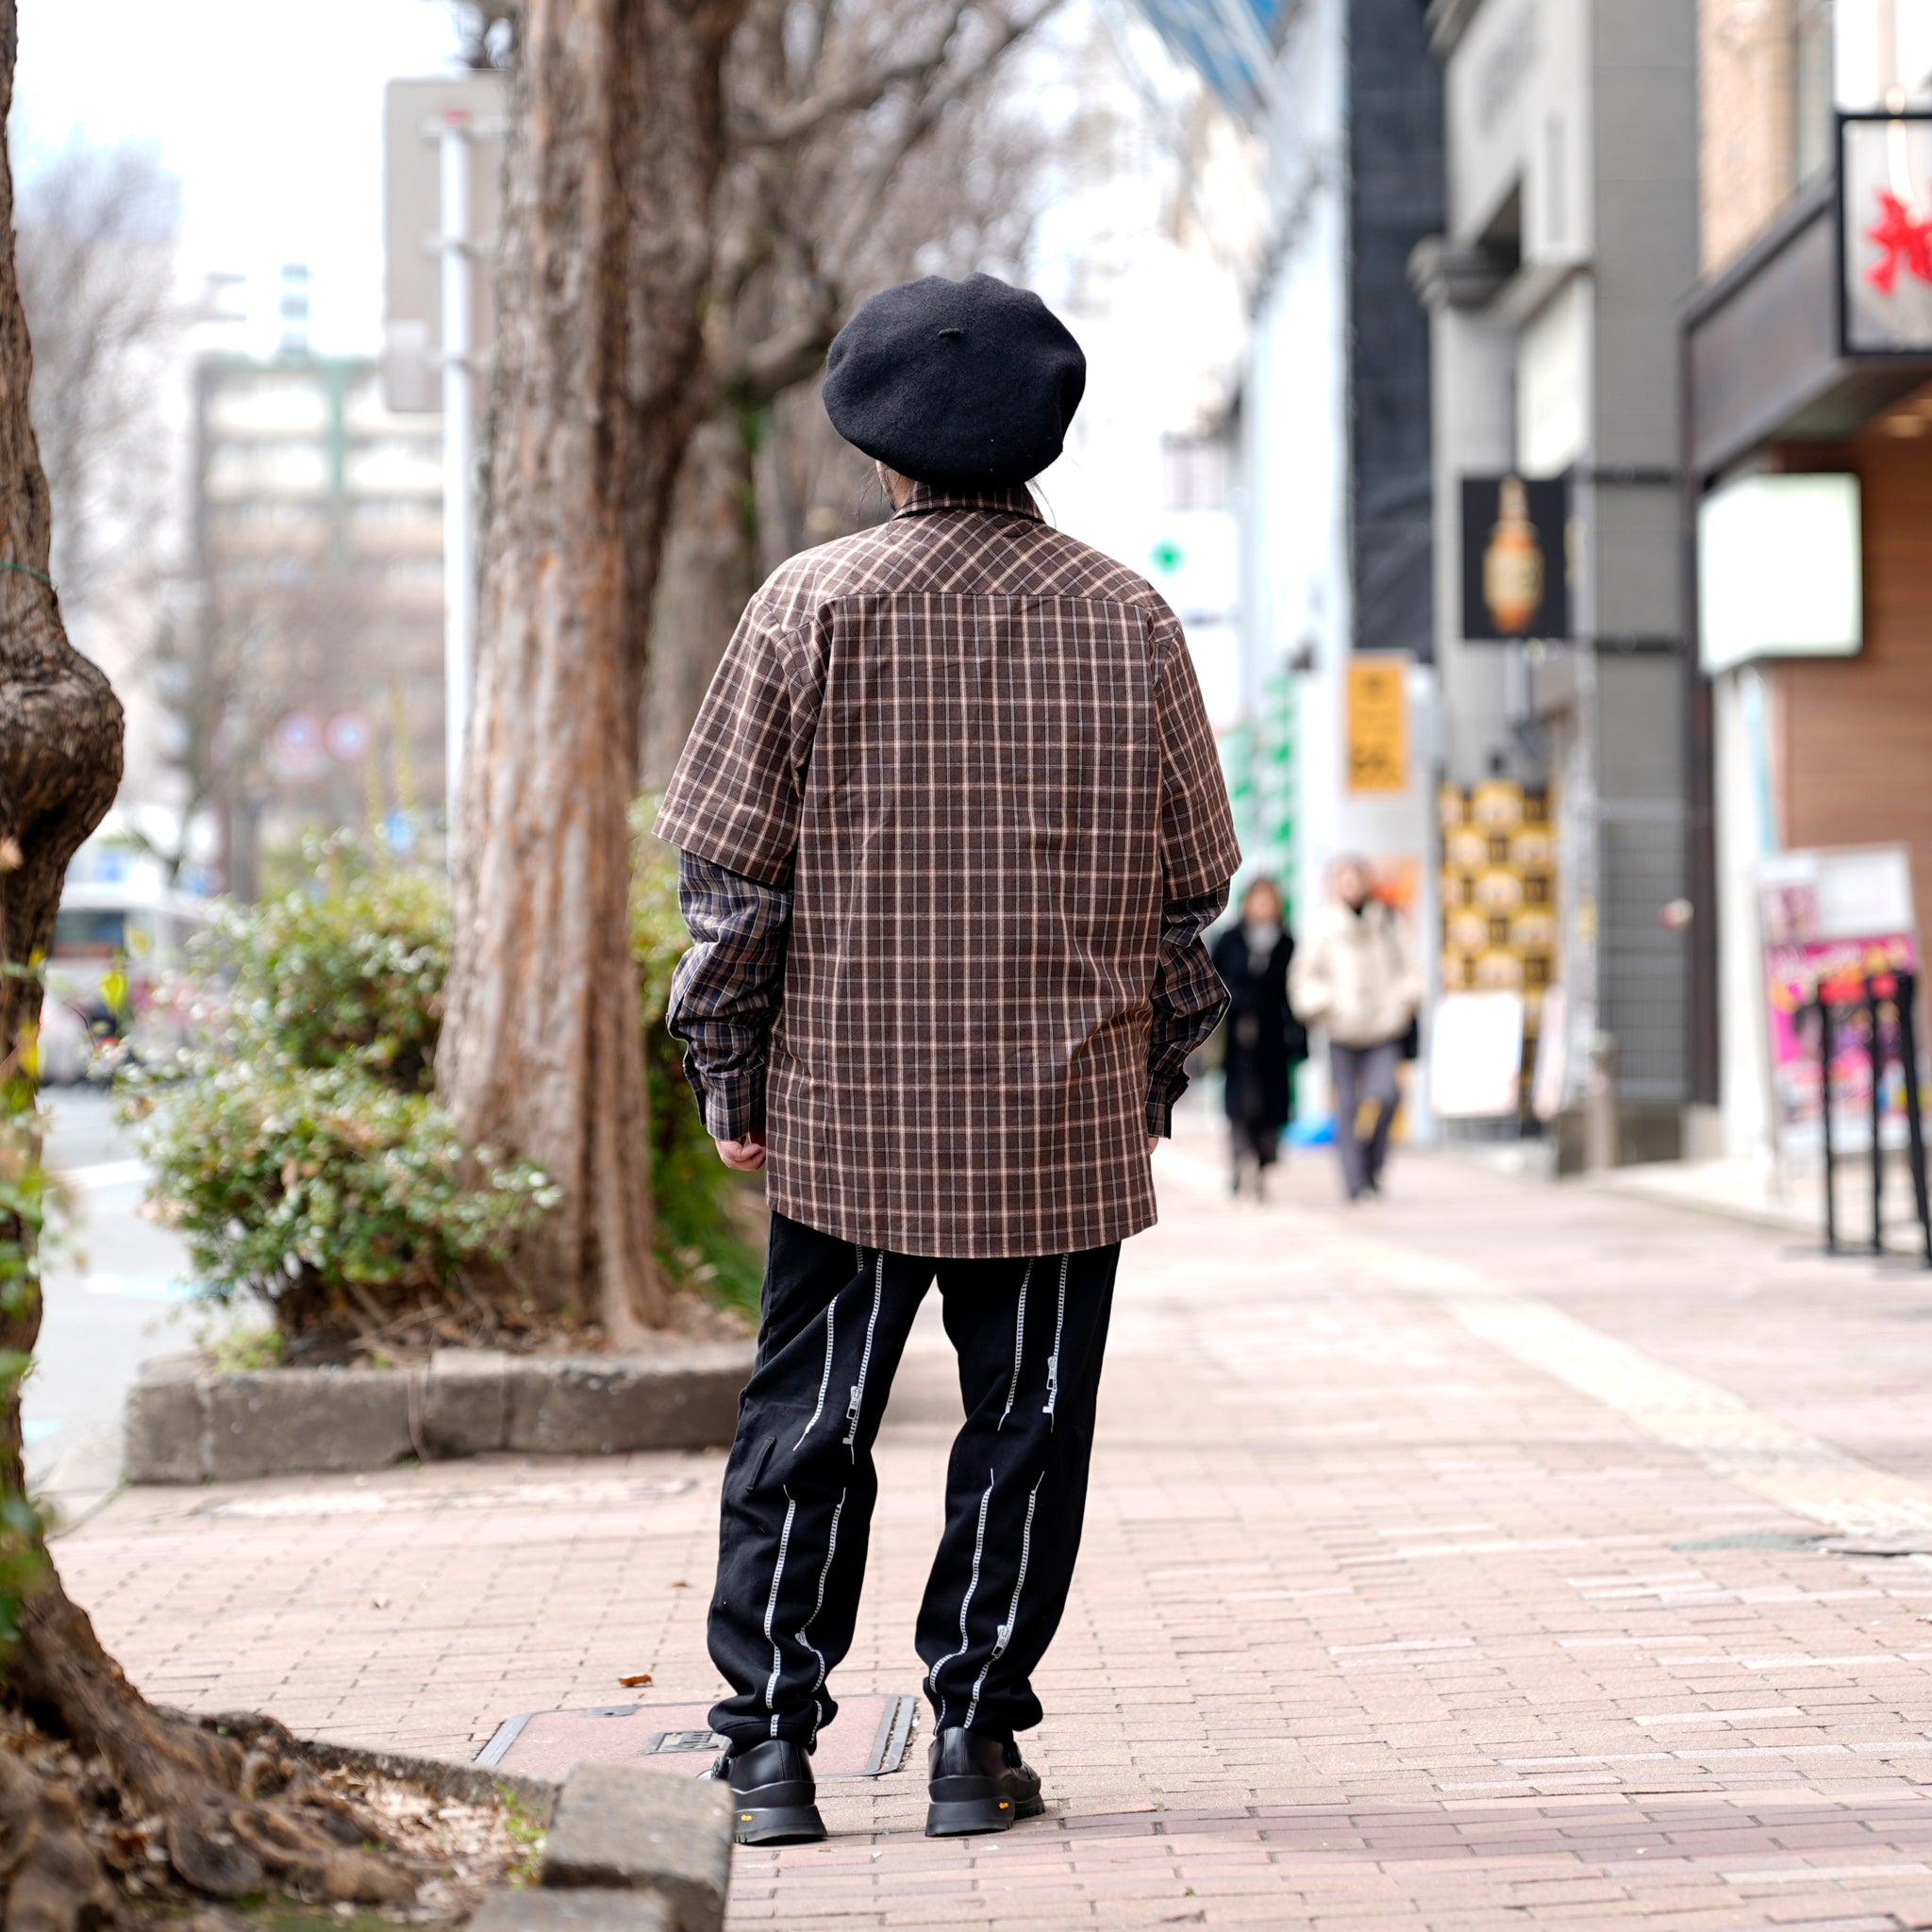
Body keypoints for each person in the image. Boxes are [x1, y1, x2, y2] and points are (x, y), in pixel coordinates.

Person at [655, 272, 1240, 1848]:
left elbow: (728, 886)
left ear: (878, 438)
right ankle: (973, 1740)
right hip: (1057, 1119)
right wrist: (1148, 1076)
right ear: (1039, 433)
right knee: (1024, 1432)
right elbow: (1195, 895)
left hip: (842, 1111)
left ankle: (769, 1750)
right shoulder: (1131, 620)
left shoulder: (808, 604)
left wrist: (727, 1076)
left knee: (809, 1424)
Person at [1289, 856, 1422, 1202]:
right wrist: (1327, 1005)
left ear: (1366, 881)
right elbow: (1303, 979)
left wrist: (1402, 1003)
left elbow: (1411, 969)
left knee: (1387, 1095)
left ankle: (1372, 1163)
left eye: (1355, 878)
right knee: (1346, 1106)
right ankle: (1354, 1183)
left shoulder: (1388, 922)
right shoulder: (1322, 927)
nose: (1349, 885)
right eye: (1342, 879)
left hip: (1383, 1028)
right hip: (1342, 1031)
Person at [1210, 876, 1305, 1201]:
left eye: (1269, 900)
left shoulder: (1287, 942)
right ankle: (1238, 1162)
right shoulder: (1229, 939)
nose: (1263, 906)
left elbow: (1294, 994)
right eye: (1257, 899)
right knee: (1239, 1105)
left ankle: (1264, 1166)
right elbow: (1213, 980)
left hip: (1273, 1038)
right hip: (1236, 1036)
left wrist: (1300, 1039)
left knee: (1271, 1107)